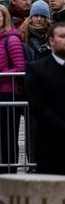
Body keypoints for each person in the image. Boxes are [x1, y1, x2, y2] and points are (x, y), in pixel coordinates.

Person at [0, 5, 25, 183]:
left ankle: (9, 174)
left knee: (7, 136)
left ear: (5, 19)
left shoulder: (12, 40)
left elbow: (19, 68)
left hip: (8, 93)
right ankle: (0, 173)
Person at [24, 21, 65, 175]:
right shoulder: (37, 69)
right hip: (50, 145)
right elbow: (38, 106)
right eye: (62, 36)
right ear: (51, 41)